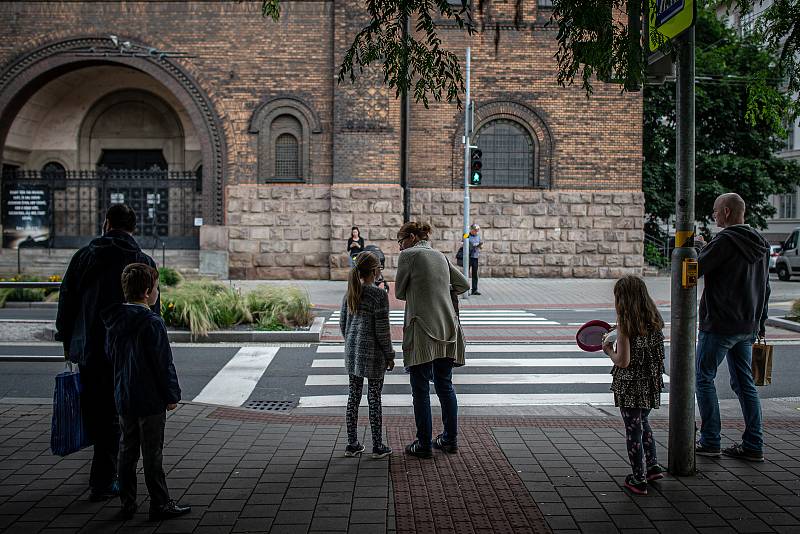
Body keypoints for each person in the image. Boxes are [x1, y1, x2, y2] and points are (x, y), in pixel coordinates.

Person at [55, 204, 159, 502]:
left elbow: (67, 299)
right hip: (129, 355)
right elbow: (153, 314)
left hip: (92, 349)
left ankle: (105, 477)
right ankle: (108, 478)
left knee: (100, 412)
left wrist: (66, 338)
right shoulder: (143, 261)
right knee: (123, 414)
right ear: (133, 227)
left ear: (106, 223)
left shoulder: (85, 256)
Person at [102, 263, 190, 521]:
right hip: (150, 399)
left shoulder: (114, 319)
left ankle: (128, 502)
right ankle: (160, 503)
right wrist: (172, 395)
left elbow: (111, 357)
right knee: (152, 454)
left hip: (124, 395)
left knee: (126, 451)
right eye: (157, 288)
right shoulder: (152, 322)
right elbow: (163, 363)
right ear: (148, 291)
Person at [694, 193, 770, 462]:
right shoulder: (761, 242)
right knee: (745, 384)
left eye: (715, 211)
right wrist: (761, 322)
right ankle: (753, 444)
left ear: (726, 212)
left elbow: (693, 271)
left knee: (703, 378)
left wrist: (696, 250)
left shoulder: (724, 241)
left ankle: (711, 440)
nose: (714, 216)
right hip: (748, 325)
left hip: (719, 324)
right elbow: (766, 287)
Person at [395, 222, 470, 458]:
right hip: (447, 329)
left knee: (420, 389)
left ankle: (424, 443)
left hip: (422, 331)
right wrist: (440, 288)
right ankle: (449, 439)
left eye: (400, 241)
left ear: (413, 237)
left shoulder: (408, 256)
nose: (399, 246)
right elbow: (463, 284)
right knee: (445, 385)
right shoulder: (440, 256)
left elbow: (398, 292)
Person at [602, 275, 667, 496]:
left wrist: (608, 350)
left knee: (633, 430)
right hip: (651, 382)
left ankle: (638, 478)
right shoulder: (654, 320)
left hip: (630, 385)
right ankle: (653, 466)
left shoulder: (627, 326)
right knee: (644, 421)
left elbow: (623, 361)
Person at [339, 251, 395, 459]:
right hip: (373, 355)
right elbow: (382, 330)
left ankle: (352, 443)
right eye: (379, 267)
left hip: (352, 353)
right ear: (374, 270)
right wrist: (389, 354)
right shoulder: (378, 295)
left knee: (353, 397)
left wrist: (352, 342)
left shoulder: (349, 293)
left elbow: (343, 325)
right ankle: (377, 445)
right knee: (374, 399)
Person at [468, 223, 482, 295]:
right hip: (468, 257)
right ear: (471, 230)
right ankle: (466, 290)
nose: (476, 232)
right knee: (466, 274)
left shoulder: (478, 236)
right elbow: (462, 242)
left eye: (477, 230)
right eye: (475, 230)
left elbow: (480, 244)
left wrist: (480, 246)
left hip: (475, 257)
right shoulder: (466, 235)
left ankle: (474, 290)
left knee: (474, 274)